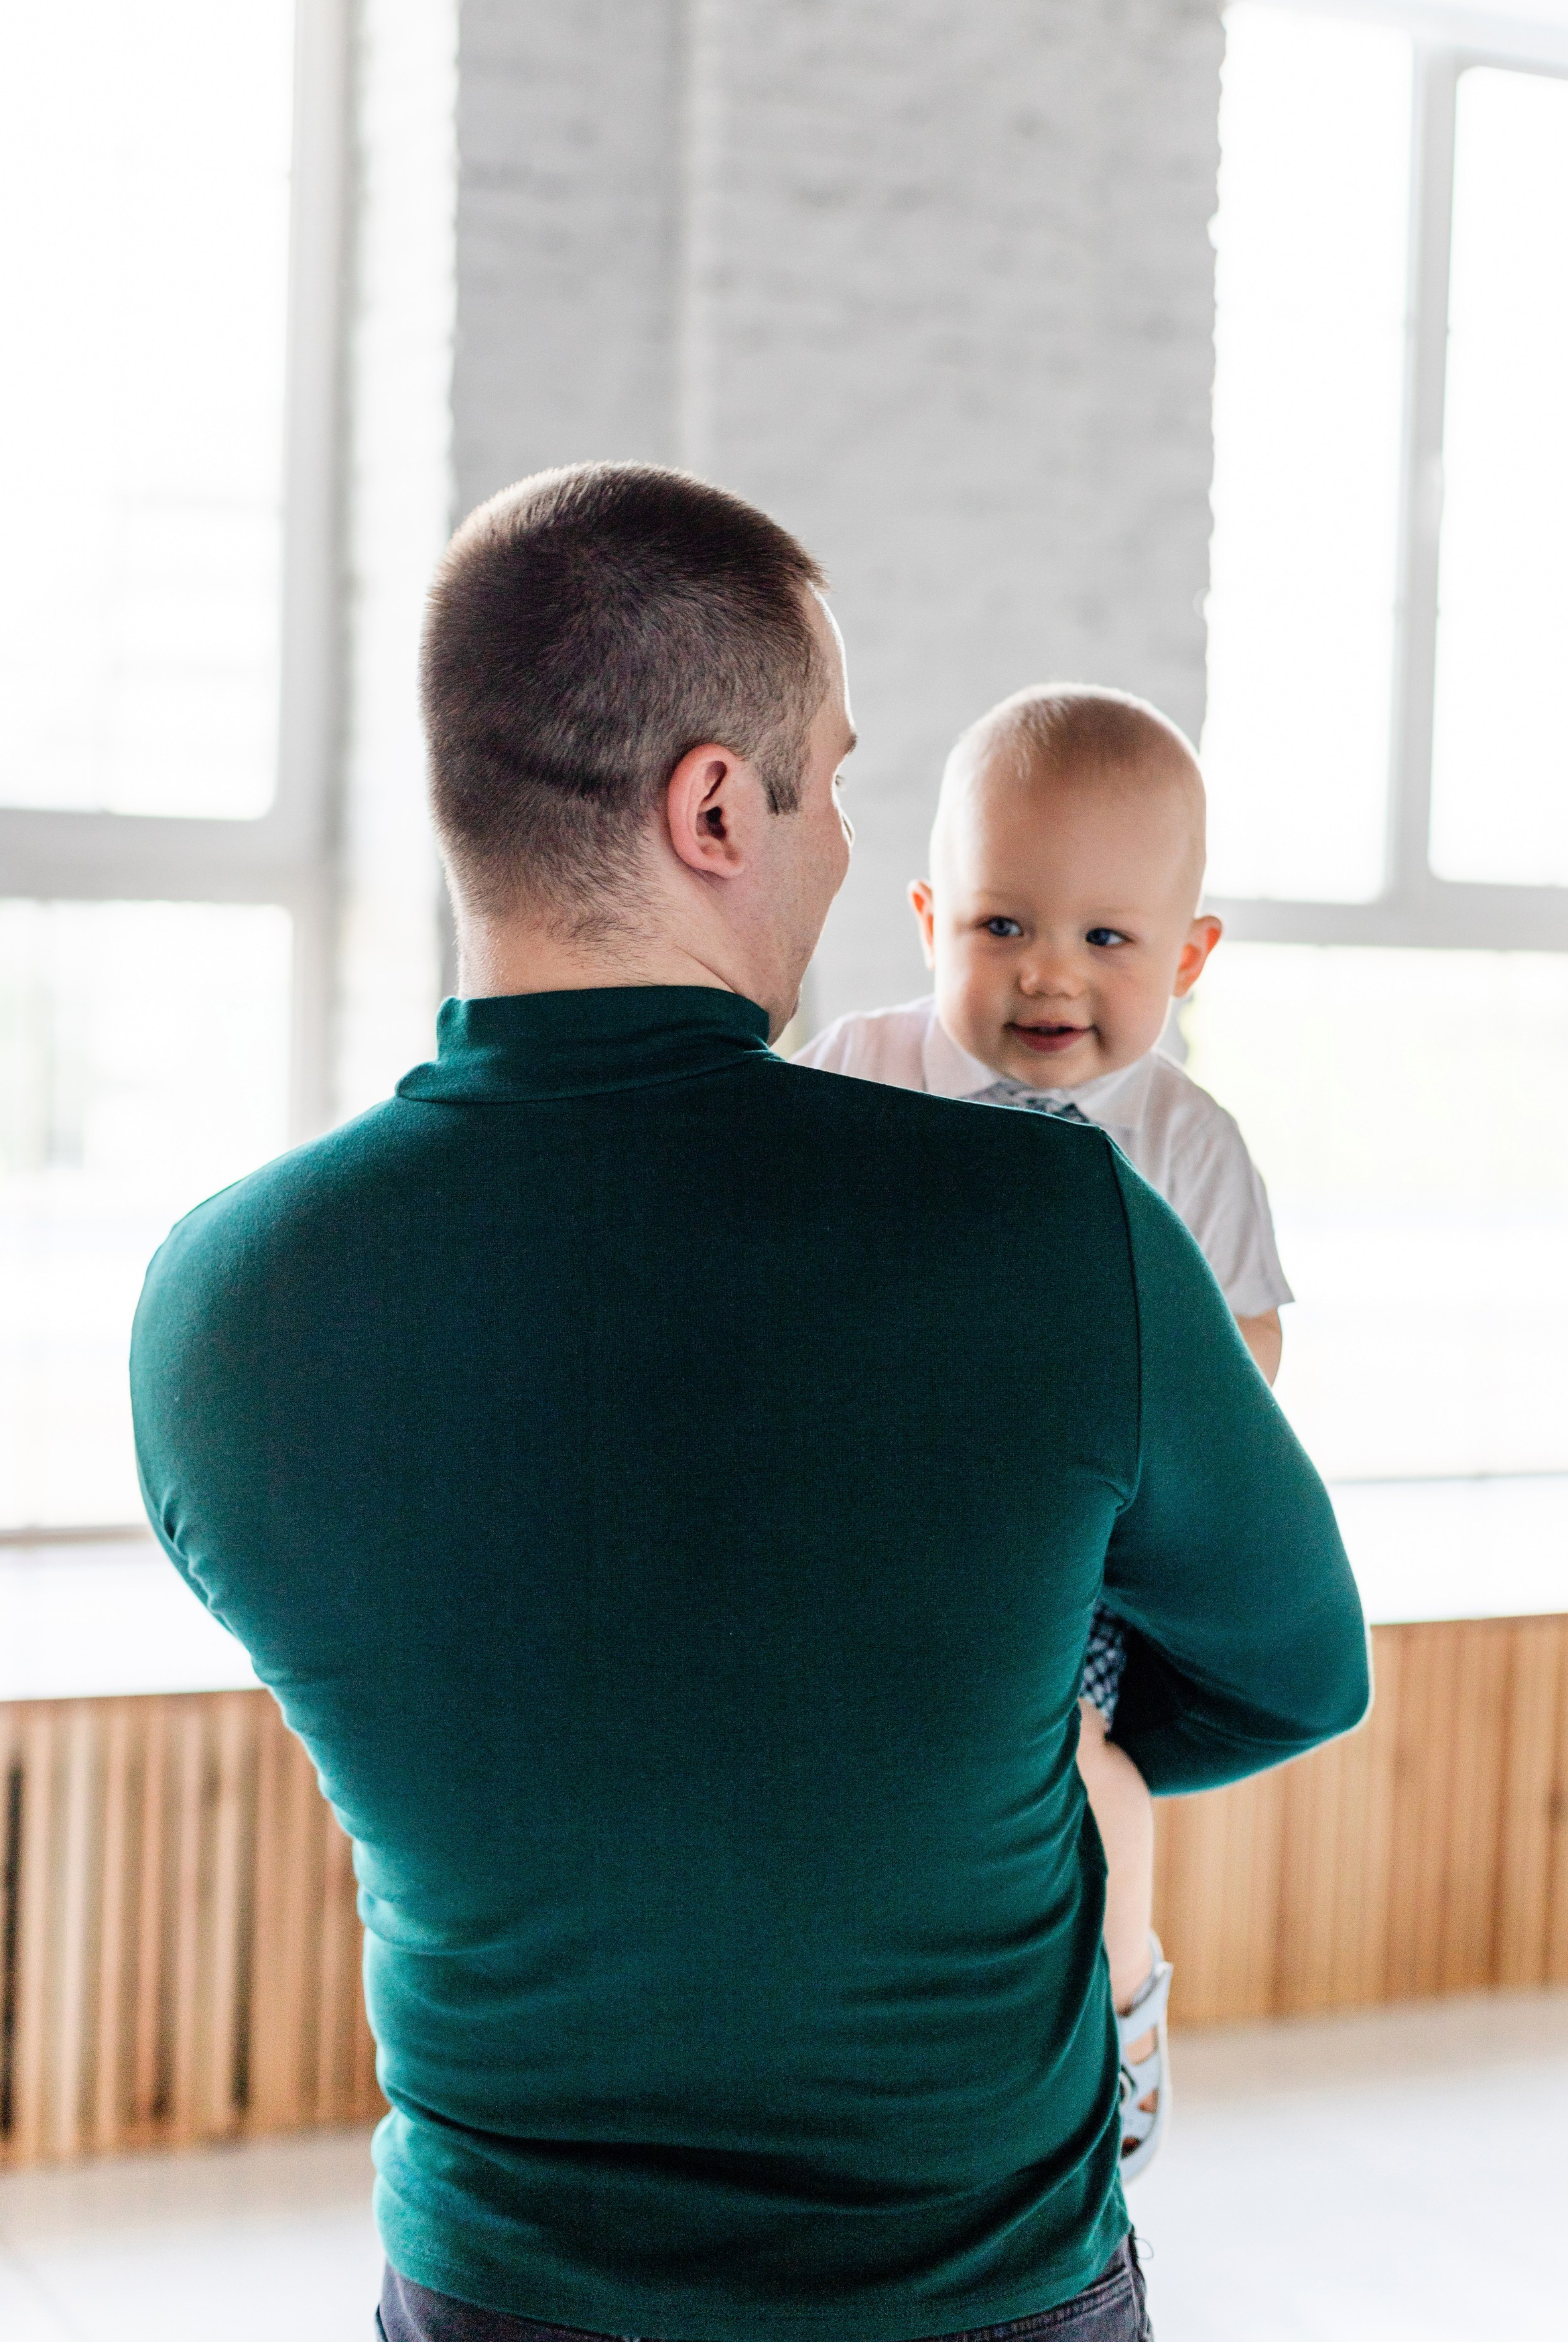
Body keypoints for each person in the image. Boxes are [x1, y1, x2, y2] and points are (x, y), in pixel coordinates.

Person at [130, 464, 1368, 2342]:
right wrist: (993, 1743)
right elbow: (1298, 1664)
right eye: (842, 782)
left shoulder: (218, 1308)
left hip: (491, 2288)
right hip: (971, 2288)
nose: (853, 848)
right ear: (717, 805)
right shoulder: (1054, 1228)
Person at [796, 684, 1293, 2174]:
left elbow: (1246, 1358)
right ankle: (845, 2049)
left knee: (1080, 1784)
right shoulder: (857, 1079)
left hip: (1058, 1564)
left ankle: (1119, 2019)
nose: (1047, 978)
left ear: (1187, 955)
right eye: (1000, 928)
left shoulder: (1181, 1146)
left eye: (1106, 939)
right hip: (858, 1537)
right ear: (928, 917)